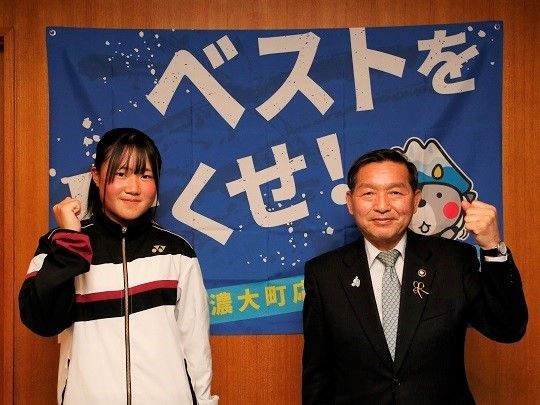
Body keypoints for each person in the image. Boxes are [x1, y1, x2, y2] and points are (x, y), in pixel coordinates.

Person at [302, 148, 527, 404]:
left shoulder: (453, 261)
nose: (382, 206)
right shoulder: (324, 275)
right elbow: (317, 378)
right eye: (368, 193)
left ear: (416, 199)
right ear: (350, 202)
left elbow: (508, 328)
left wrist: (492, 248)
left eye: (395, 193)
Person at [19, 128, 219, 405]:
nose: (133, 188)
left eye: (145, 176)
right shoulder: (60, 243)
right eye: (121, 173)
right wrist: (70, 243)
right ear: (96, 176)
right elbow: (42, 321)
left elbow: (196, 346)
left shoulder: (177, 252)